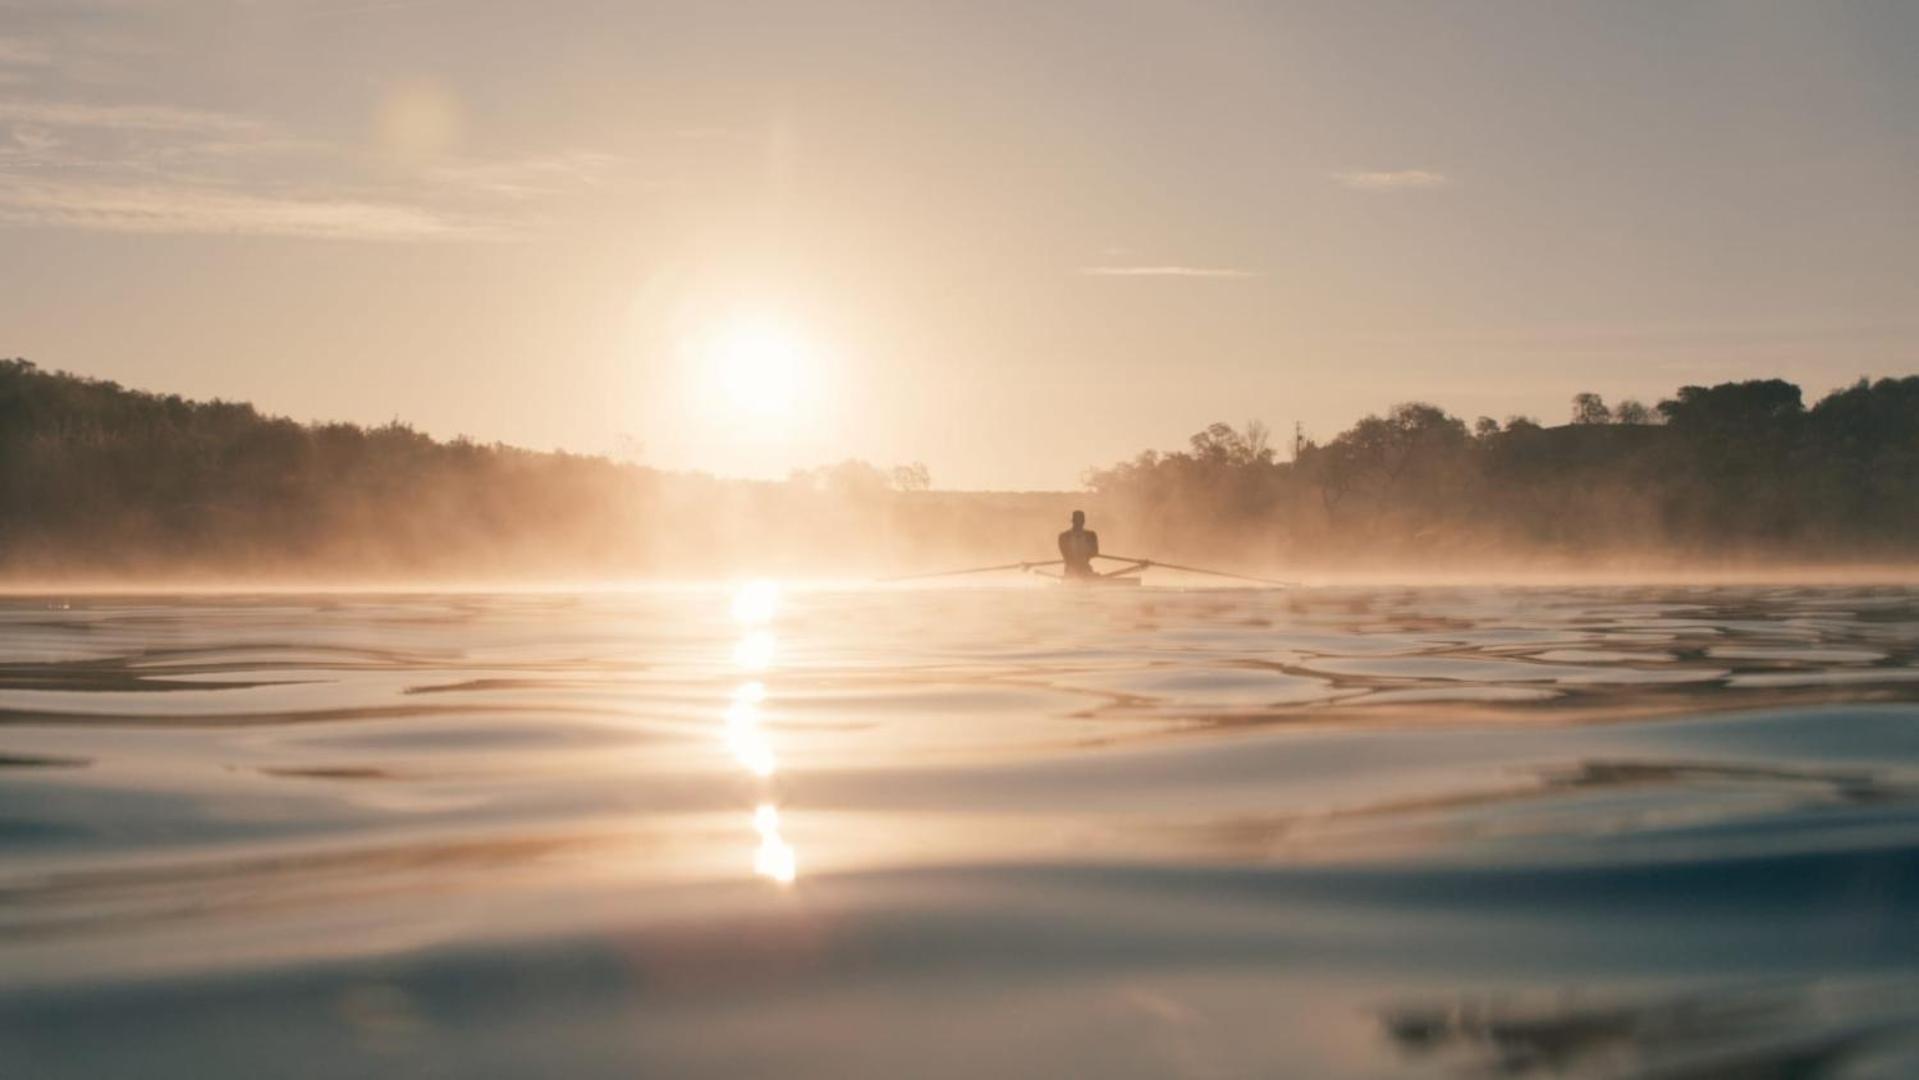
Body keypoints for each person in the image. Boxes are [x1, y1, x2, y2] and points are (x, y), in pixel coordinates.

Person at [1057, 510, 1099, 580]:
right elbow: (1065, 555)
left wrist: (1083, 557)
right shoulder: (1063, 536)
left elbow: (1095, 552)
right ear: (1073, 521)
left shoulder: (1091, 535)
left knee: (1091, 576)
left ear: (1083, 521)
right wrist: (1077, 560)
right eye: (1077, 521)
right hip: (1071, 570)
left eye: (1081, 521)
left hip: (1085, 568)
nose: (1079, 524)